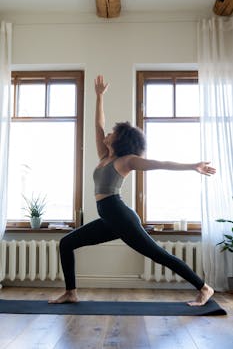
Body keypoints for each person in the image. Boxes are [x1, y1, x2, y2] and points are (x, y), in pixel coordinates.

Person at [49, 75, 215, 306]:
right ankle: (71, 292)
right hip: (109, 217)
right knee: (67, 243)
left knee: (159, 255)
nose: (107, 133)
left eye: (113, 132)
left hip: (121, 216)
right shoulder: (105, 156)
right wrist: (99, 96)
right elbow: (98, 125)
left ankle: (204, 287)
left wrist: (192, 166)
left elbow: (161, 164)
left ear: (121, 140)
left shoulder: (127, 160)